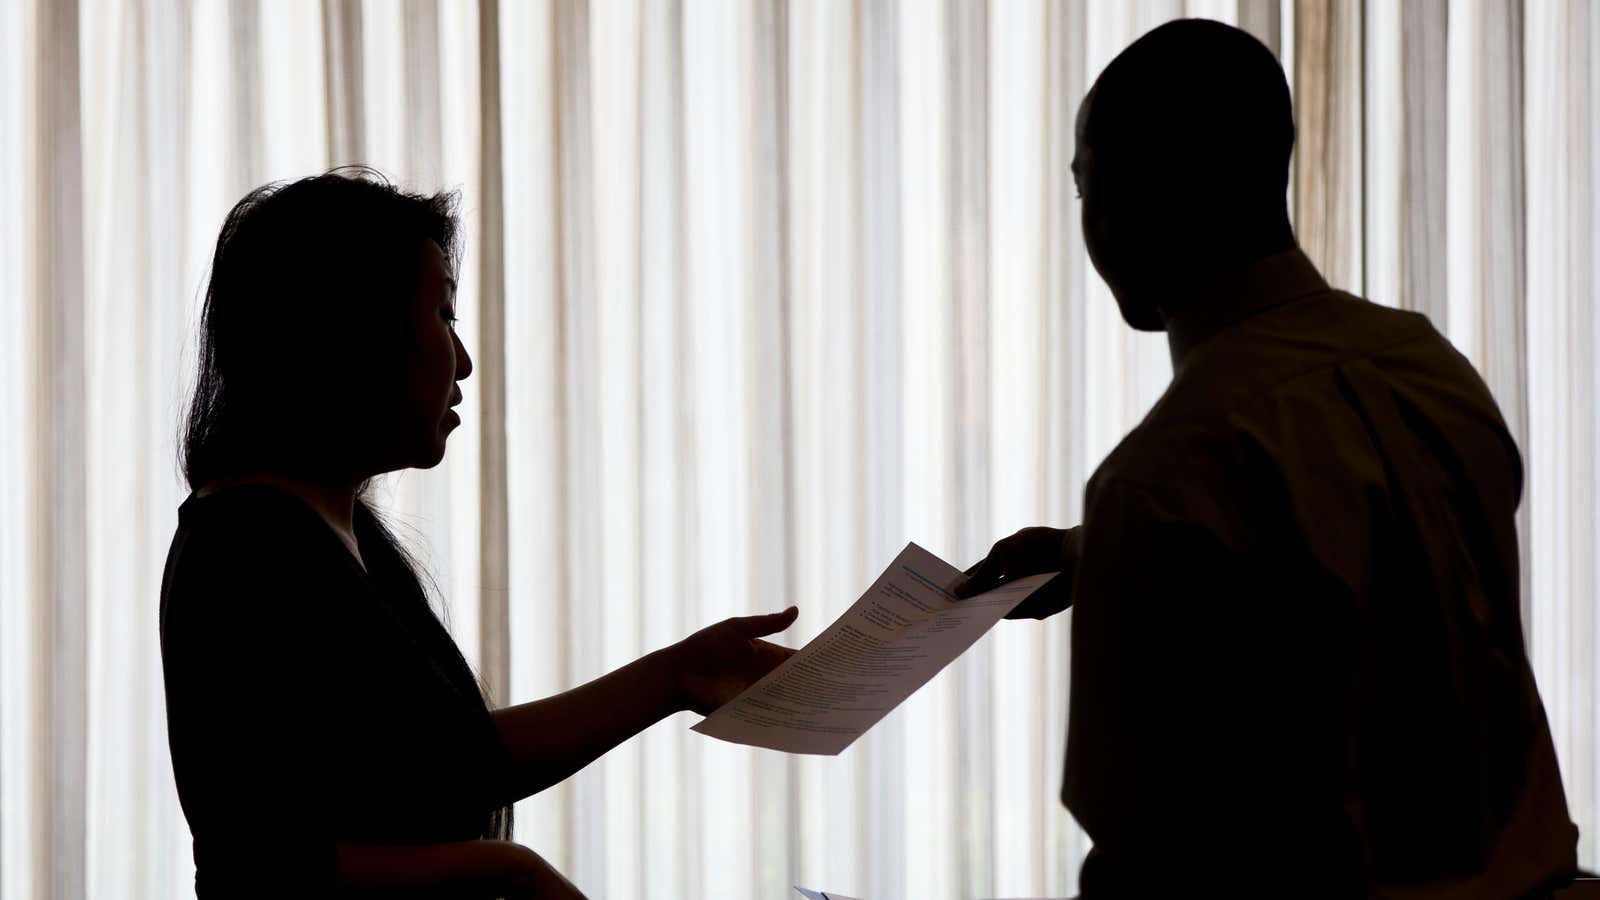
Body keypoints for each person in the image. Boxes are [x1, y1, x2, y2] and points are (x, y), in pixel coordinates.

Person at [957, 19, 1578, 897]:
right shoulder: (1428, 370)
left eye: (1082, 186)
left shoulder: (1165, 477)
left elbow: (1151, 859)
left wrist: (1124, 541)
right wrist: (1078, 553)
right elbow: (1359, 576)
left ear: (1130, 194)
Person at [160, 169, 798, 899]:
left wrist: (676, 675)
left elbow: (455, 763)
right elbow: (255, 864)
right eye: (443, 314)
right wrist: (508, 866)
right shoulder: (245, 548)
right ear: (351, 331)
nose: (461, 362)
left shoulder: (325, 529)